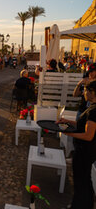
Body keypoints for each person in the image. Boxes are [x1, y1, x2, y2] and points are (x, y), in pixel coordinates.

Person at [56, 80, 96, 209]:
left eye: (86, 90)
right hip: (86, 151)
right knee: (84, 180)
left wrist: (68, 134)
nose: (84, 92)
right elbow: (82, 125)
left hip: (85, 151)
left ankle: (78, 206)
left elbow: (88, 136)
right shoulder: (92, 107)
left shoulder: (94, 111)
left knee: (81, 181)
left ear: (92, 93)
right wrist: (67, 121)